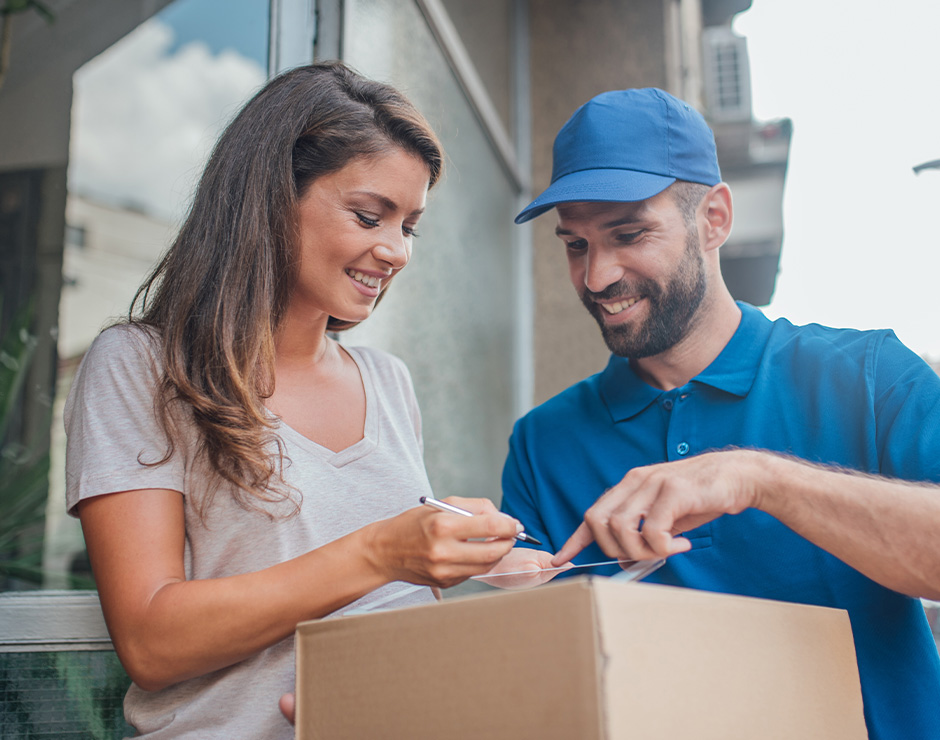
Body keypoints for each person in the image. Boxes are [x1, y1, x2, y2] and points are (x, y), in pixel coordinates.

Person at [64, 61, 536, 739]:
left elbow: (389, 605)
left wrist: (472, 561)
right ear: (269, 199)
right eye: (370, 215)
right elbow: (150, 640)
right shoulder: (141, 366)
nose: (397, 251)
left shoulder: (388, 382)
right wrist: (382, 550)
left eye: (409, 226)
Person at [500, 87, 940, 740]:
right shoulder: (543, 444)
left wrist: (759, 478)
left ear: (714, 218)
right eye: (575, 244)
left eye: (628, 234)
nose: (596, 277)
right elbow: (529, 682)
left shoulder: (870, 377)